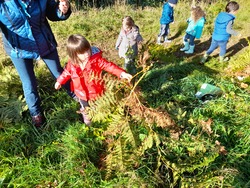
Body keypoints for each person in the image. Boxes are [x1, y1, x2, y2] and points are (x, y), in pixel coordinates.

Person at [0, 0, 75, 128]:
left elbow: (53, 13)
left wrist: (62, 10)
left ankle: (79, 96)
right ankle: (36, 114)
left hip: (43, 41)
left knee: (58, 72)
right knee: (29, 82)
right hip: (19, 49)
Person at [55, 34, 132, 126]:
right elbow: (67, 72)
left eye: (88, 50)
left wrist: (121, 73)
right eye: (82, 53)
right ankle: (88, 122)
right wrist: (60, 81)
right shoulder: (72, 63)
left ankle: (102, 117)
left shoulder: (96, 60)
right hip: (81, 93)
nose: (87, 54)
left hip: (96, 91)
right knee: (85, 108)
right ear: (74, 54)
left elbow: (108, 66)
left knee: (100, 105)